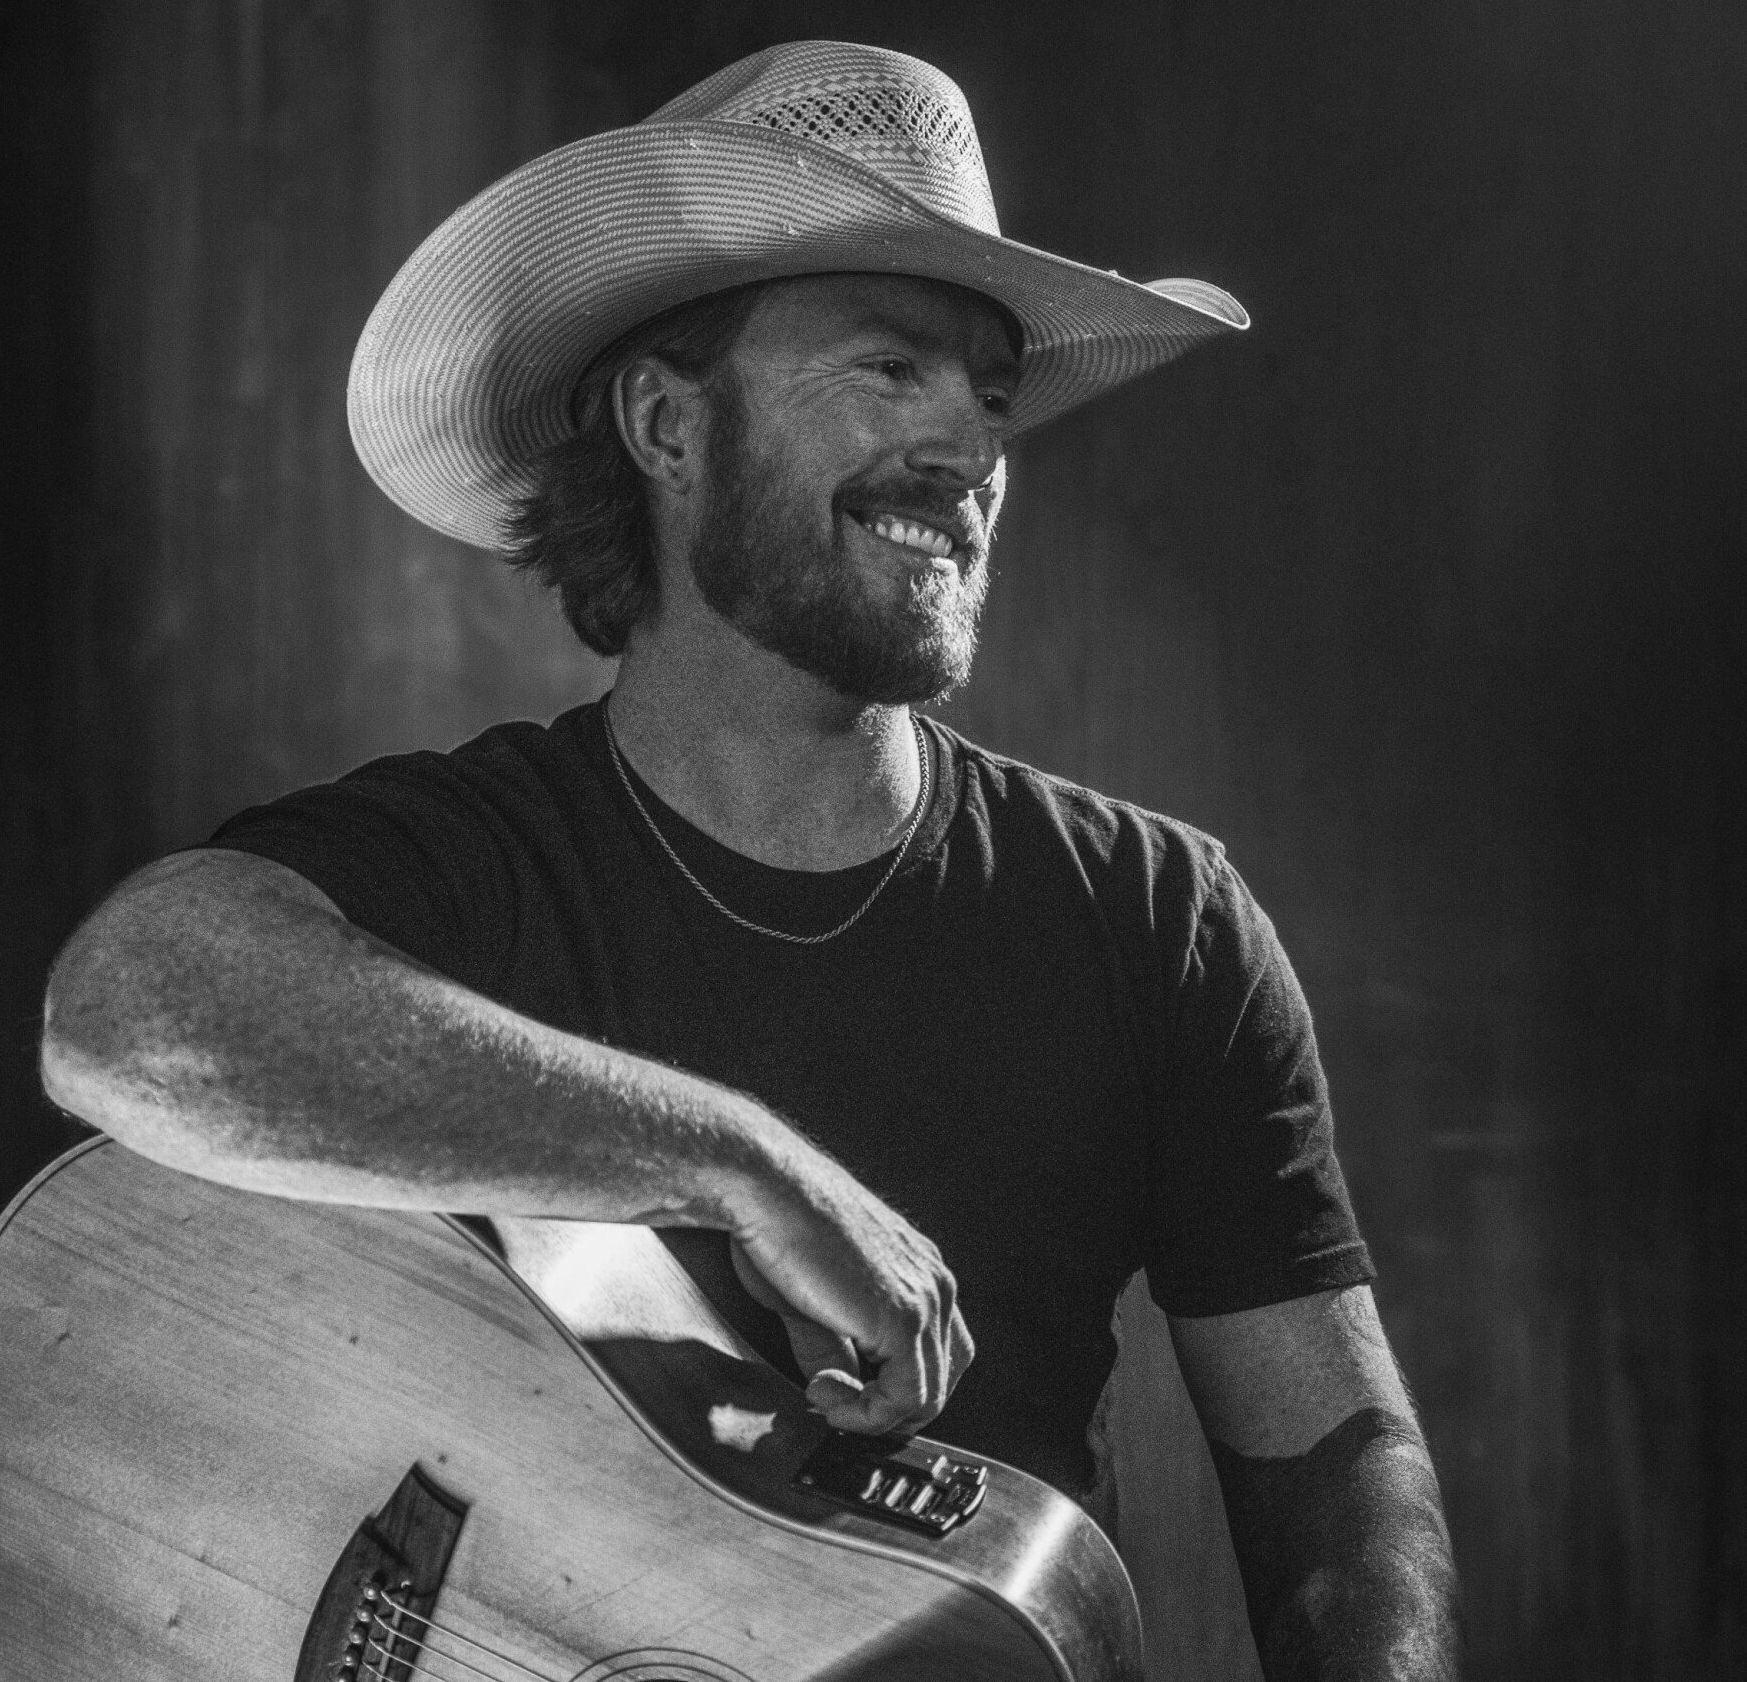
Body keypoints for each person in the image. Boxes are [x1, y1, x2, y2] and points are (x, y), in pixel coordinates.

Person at [40, 40, 1460, 1680]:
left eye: (990, 395)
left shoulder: (1155, 921)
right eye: (888, 369)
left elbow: (1342, 1467)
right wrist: (741, 1165)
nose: (972, 449)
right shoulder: (471, 862)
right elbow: (121, 1008)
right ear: (666, 424)